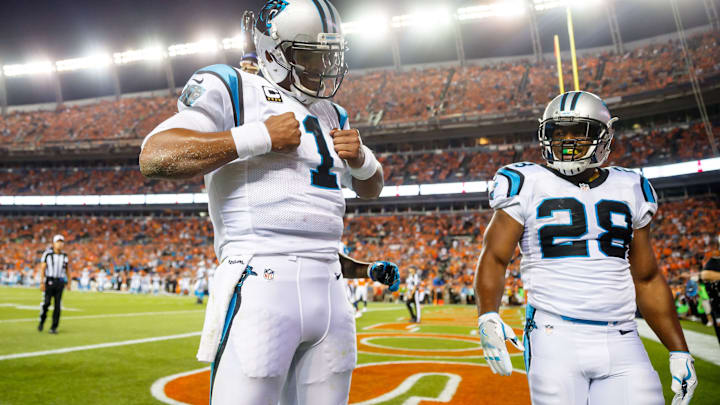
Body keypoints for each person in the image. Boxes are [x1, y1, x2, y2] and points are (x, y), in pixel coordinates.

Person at [139, 1, 394, 403]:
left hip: (332, 291)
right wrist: (257, 137)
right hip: (261, 284)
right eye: (310, 56)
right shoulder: (233, 86)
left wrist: (363, 161)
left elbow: (372, 188)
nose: (322, 67)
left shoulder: (334, 114)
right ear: (274, 52)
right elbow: (156, 155)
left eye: (329, 56)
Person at [474, 91, 697, 405]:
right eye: (558, 132)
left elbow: (646, 278)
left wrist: (678, 350)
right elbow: (495, 257)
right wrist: (487, 316)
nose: (567, 140)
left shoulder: (631, 186)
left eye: (579, 131)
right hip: (554, 335)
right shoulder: (525, 181)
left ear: (605, 136)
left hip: (622, 335)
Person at [38, 234, 70, 334]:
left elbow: (67, 269)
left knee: (57, 305)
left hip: (60, 282)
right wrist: (42, 282)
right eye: (58, 242)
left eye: (61, 242)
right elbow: (43, 268)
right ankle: (42, 320)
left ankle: (54, 327)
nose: (60, 244)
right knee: (46, 303)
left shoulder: (65, 256)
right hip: (49, 281)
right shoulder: (47, 254)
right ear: (53, 243)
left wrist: (69, 281)